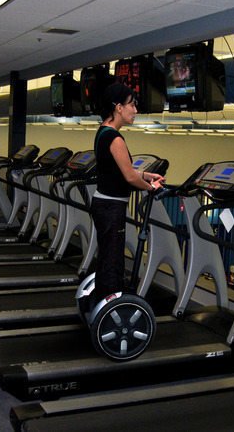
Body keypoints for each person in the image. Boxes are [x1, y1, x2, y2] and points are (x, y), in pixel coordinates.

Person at [91, 83, 165, 303]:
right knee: (113, 261)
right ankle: (110, 307)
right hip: (111, 207)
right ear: (118, 107)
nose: (135, 110)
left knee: (107, 257)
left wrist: (146, 175)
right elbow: (129, 177)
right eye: (132, 105)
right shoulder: (115, 138)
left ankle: (101, 302)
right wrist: (151, 187)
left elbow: (119, 170)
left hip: (104, 204)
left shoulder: (103, 131)